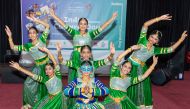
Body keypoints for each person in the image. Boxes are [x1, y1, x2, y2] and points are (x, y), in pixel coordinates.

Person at [127, 14, 188, 109]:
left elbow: (170, 49)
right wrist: (159, 19)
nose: (153, 39)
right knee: (129, 86)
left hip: (142, 68)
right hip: (129, 66)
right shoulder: (142, 39)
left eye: (155, 39)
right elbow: (145, 25)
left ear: (157, 42)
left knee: (143, 88)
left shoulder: (155, 50)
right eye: (152, 36)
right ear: (149, 36)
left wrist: (181, 39)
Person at [49, 8, 117, 83]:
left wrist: (112, 18)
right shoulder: (74, 32)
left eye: (85, 24)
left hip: (87, 57)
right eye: (81, 23)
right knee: (74, 75)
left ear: (87, 26)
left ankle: (87, 89)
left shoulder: (90, 34)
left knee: (87, 74)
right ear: (78, 25)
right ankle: (74, 91)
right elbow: (63, 24)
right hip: (75, 57)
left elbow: (102, 27)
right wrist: (54, 16)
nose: (83, 25)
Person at [5, 16, 50, 108]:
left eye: (34, 33)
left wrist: (37, 20)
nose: (32, 34)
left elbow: (47, 26)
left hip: (47, 68)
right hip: (37, 69)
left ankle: (44, 104)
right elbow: (13, 48)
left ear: (37, 34)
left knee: (45, 87)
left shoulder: (42, 39)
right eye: (30, 33)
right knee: (27, 84)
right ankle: (29, 105)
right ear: (28, 35)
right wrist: (10, 37)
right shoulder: (28, 46)